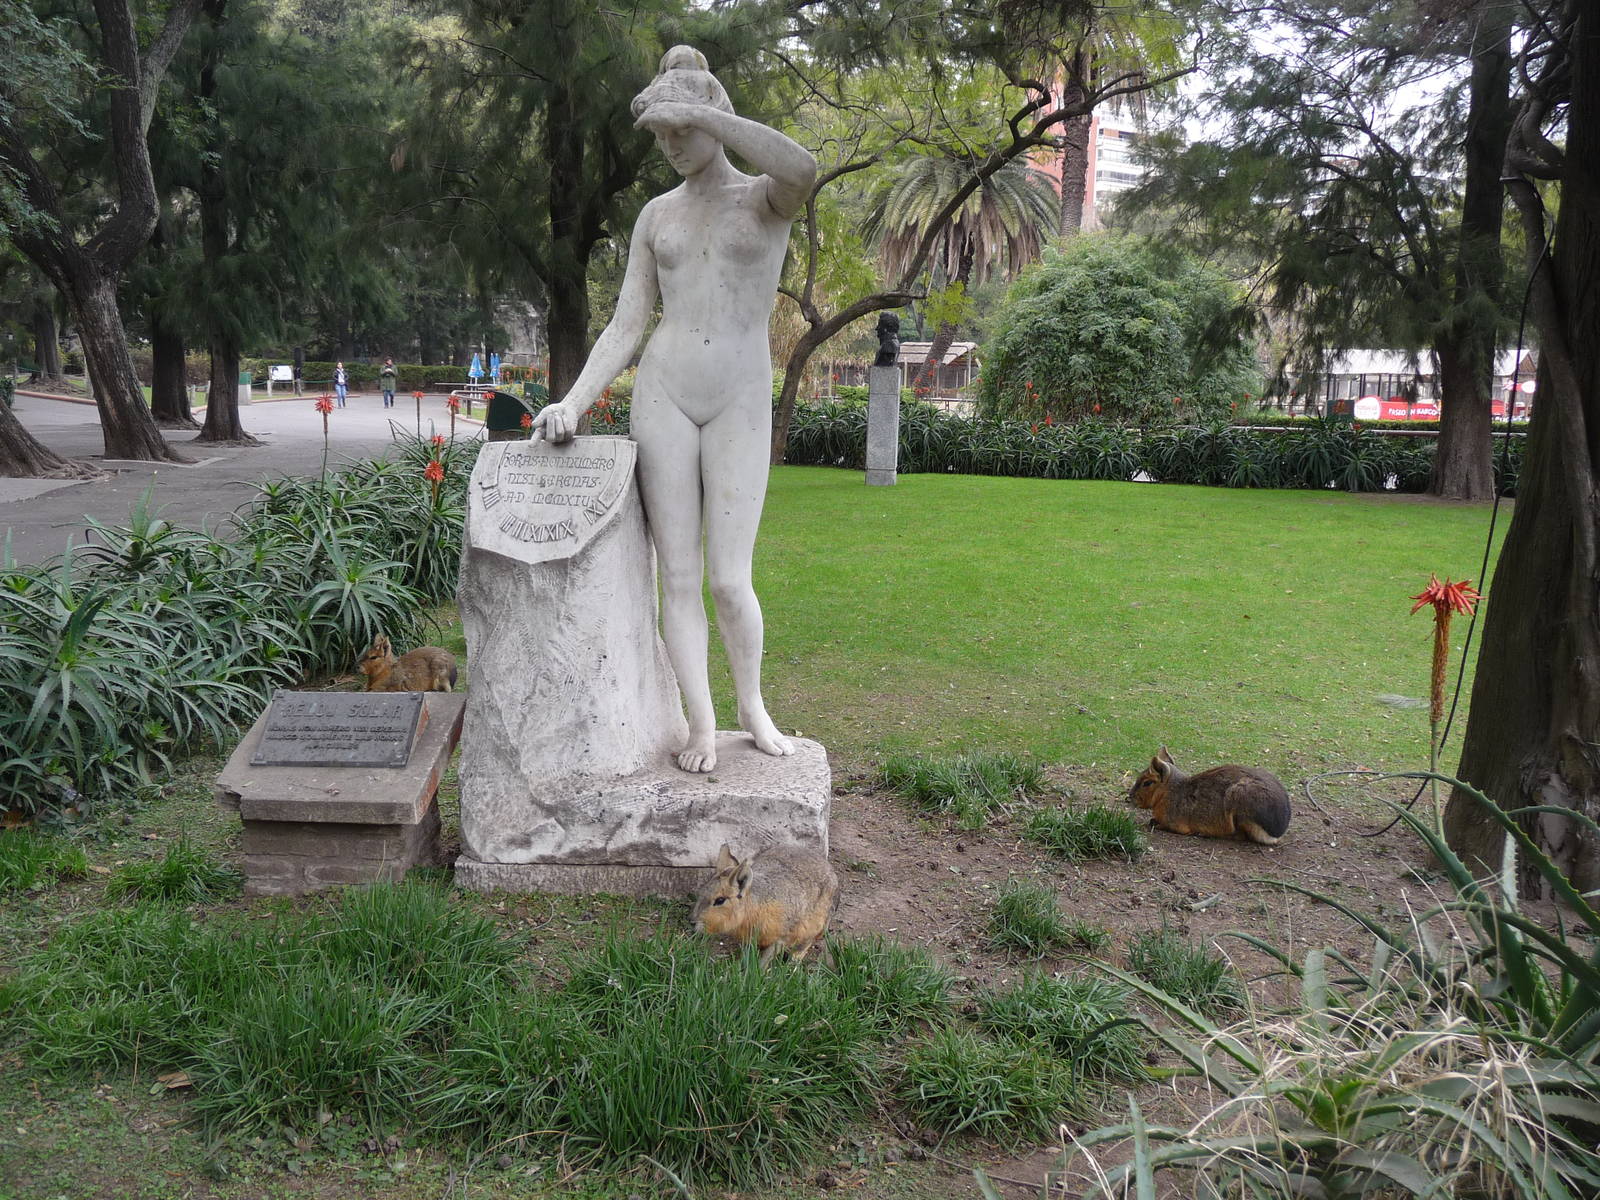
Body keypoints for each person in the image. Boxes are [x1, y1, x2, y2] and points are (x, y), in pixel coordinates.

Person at [533, 45, 816, 775]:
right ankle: (701, 724)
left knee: (729, 579)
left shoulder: (764, 198)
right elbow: (627, 323)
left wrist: (706, 113)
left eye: (681, 130)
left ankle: (751, 706)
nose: (670, 145)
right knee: (678, 578)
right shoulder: (657, 216)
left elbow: (803, 168)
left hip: (739, 394)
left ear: (712, 120)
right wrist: (573, 401)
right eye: (661, 134)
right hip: (665, 391)